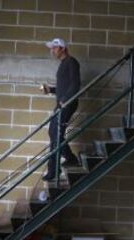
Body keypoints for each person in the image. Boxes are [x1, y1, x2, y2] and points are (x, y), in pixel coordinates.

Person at [41, 38, 81, 182]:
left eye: (54, 48)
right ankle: (69, 159)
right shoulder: (63, 64)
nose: (52, 51)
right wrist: (50, 90)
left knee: (55, 133)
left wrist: (65, 99)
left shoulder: (72, 62)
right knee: (54, 133)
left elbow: (76, 85)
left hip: (67, 104)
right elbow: (63, 88)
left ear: (62, 48)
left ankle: (54, 169)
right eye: (51, 48)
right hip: (62, 104)